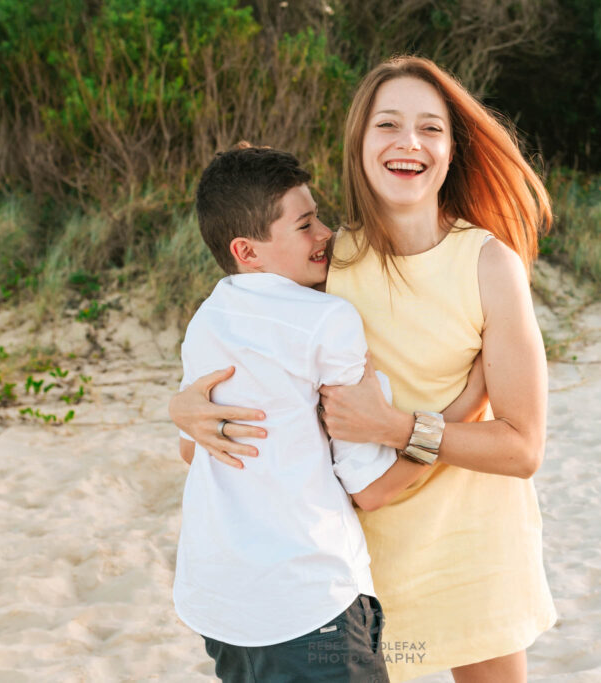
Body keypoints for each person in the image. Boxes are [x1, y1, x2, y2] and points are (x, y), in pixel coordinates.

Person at [170, 57, 557, 683]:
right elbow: (245, 386)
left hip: (473, 547)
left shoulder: (490, 264)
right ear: (359, 142)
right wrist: (182, 411)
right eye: (389, 124)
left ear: (452, 149)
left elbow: (522, 447)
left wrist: (397, 428)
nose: (410, 142)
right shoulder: (325, 261)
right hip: (361, 565)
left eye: (431, 128)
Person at [174, 144, 487, 683]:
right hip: (309, 605)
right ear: (247, 251)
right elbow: (372, 489)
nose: (326, 233)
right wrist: (467, 404)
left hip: (219, 606)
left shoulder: (207, 319)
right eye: (305, 225)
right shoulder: (327, 320)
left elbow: (191, 447)